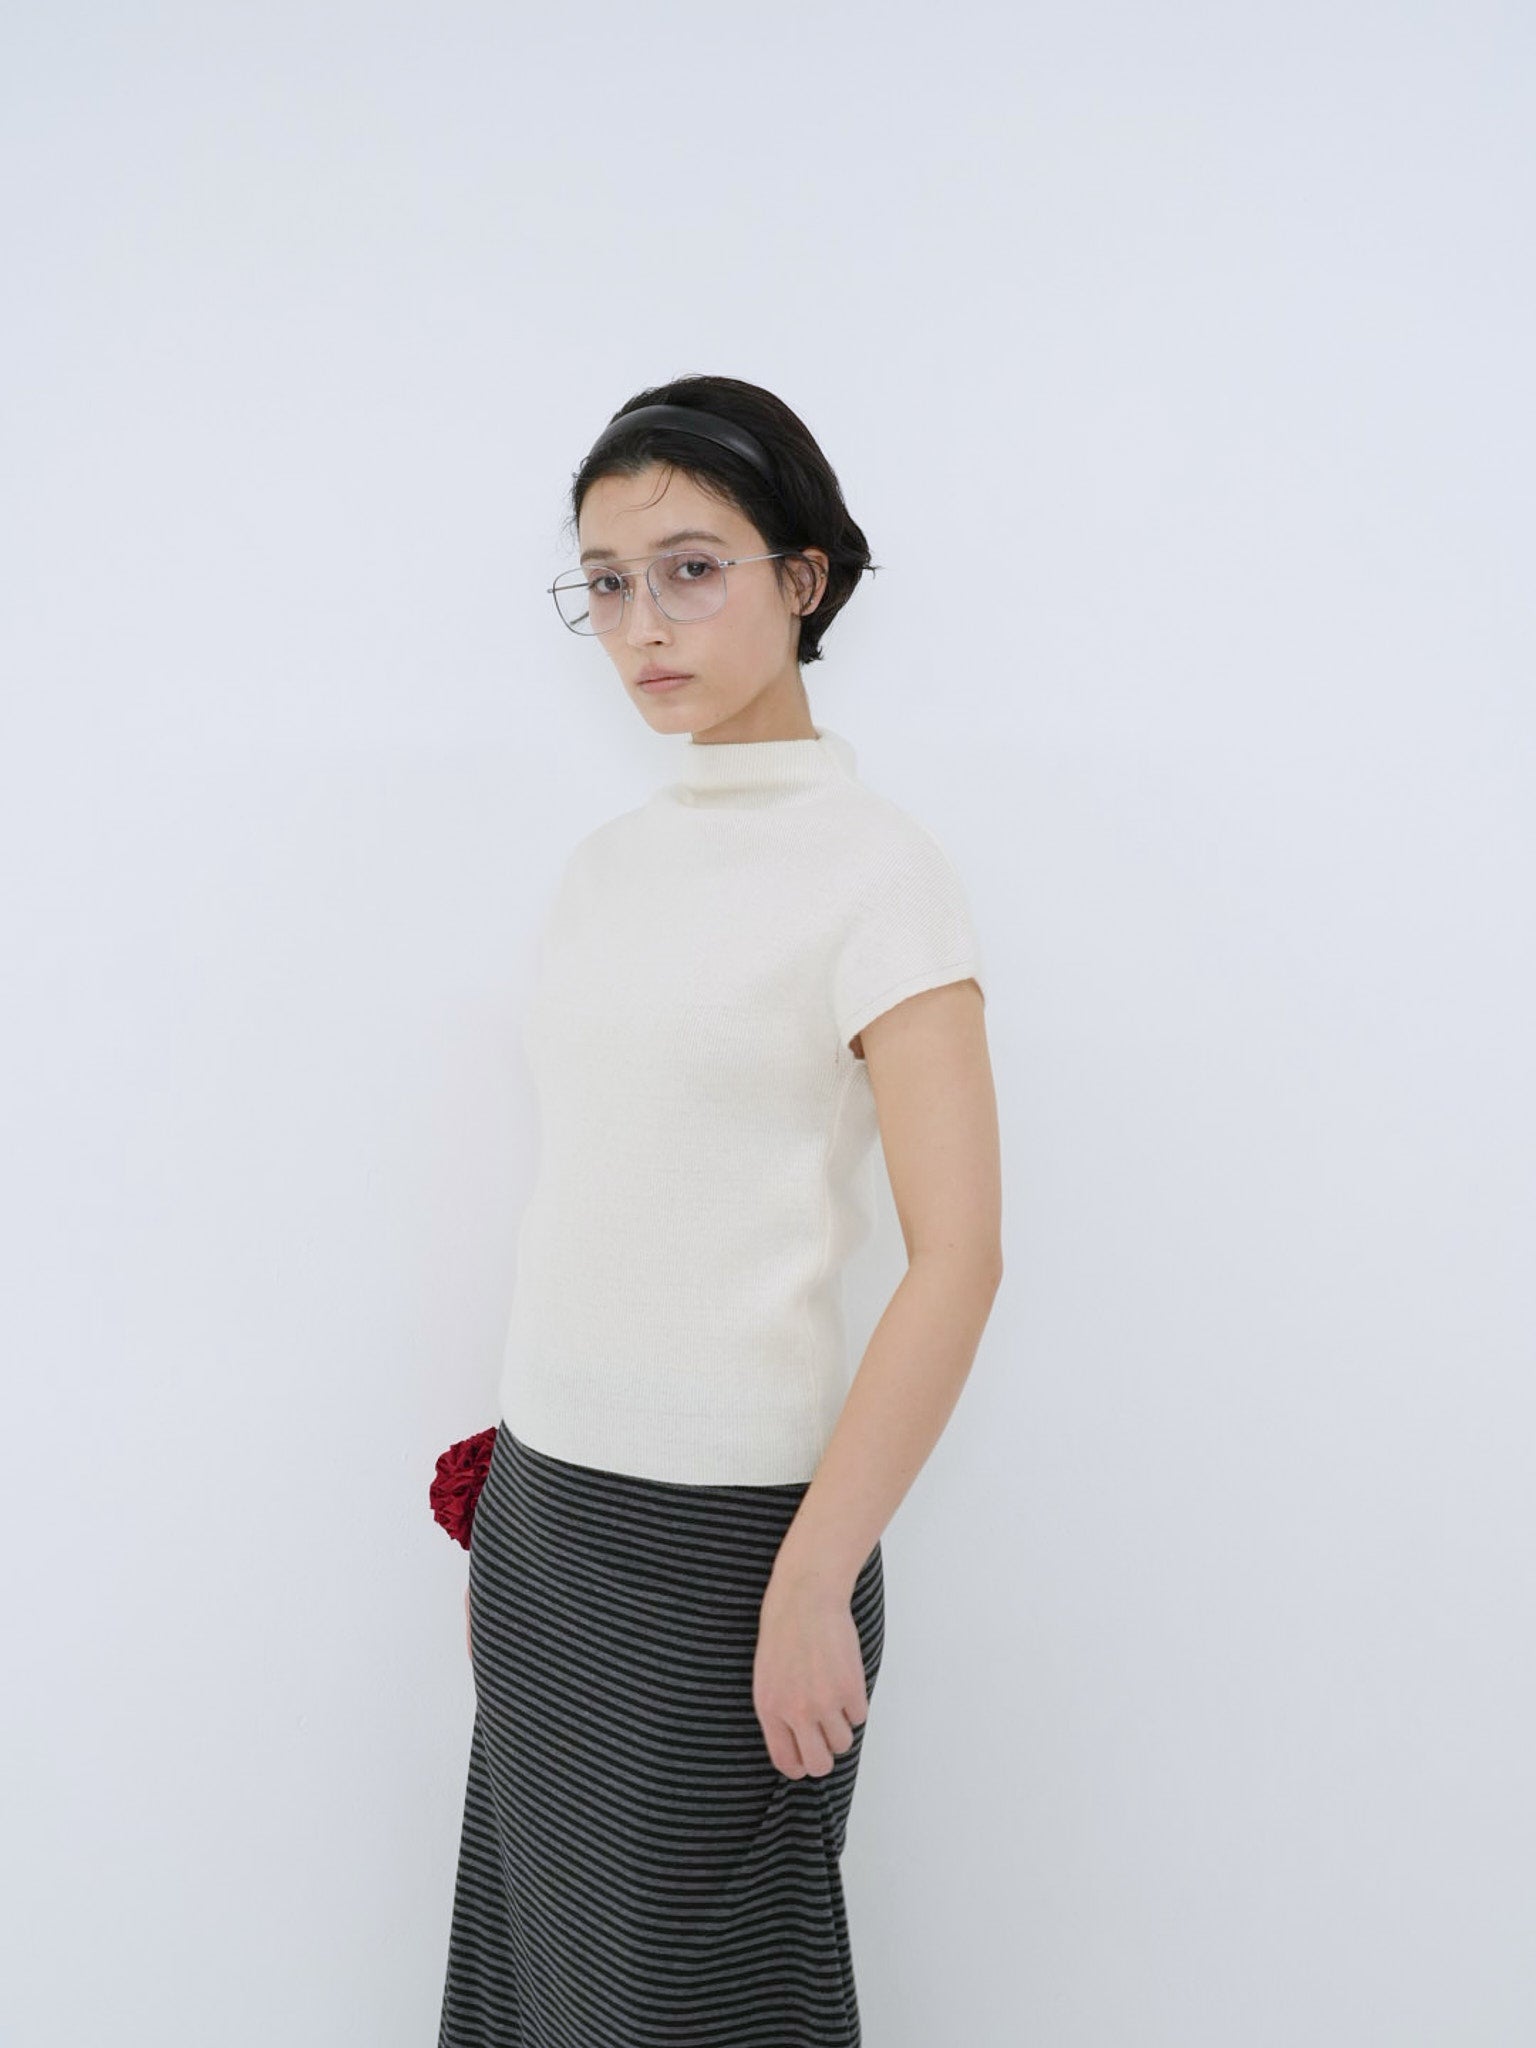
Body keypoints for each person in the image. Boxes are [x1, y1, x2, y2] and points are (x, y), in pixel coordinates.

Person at [437, 375, 1004, 2047]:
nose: (643, 626)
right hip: (546, 1525)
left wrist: (815, 1574)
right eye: (607, 583)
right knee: (546, 1990)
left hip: (736, 1551)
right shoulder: (603, 868)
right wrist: (518, 1479)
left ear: (803, 578)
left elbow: (961, 1256)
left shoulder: (879, 873)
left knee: (699, 2004)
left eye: (692, 570)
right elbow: (612, 1194)